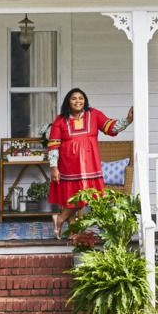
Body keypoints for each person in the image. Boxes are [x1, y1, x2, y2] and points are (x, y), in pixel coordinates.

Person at [47, 87, 131, 238]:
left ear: (85, 100)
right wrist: (54, 167)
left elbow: (111, 128)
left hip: (90, 166)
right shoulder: (60, 121)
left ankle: (60, 219)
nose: (77, 101)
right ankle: (72, 232)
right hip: (68, 167)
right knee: (72, 198)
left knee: (85, 197)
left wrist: (128, 120)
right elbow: (53, 145)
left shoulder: (94, 115)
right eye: (74, 98)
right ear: (68, 102)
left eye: (81, 98)